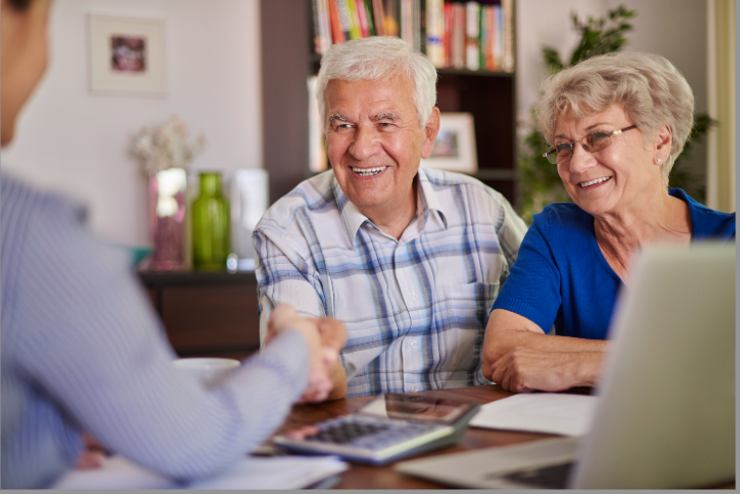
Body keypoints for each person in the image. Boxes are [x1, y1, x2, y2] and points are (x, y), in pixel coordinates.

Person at [0, 0, 345, 488]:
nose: (44, 55)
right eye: (45, 26)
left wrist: (44, 434)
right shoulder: (31, 234)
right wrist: (296, 344)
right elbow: (197, 439)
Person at [254, 36, 526, 398]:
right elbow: (307, 372)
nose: (362, 148)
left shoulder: (485, 209)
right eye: (343, 125)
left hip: (477, 437)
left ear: (428, 133)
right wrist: (315, 368)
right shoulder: (286, 231)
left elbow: (543, 329)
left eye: (385, 123)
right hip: (357, 442)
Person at [481, 51, 736, 393]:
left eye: (598, 138)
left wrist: (587, 362)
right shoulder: (557, 232)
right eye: (564, 147)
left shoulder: (728, 239)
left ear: (660, 141)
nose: (577, 165)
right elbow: (500, 352)